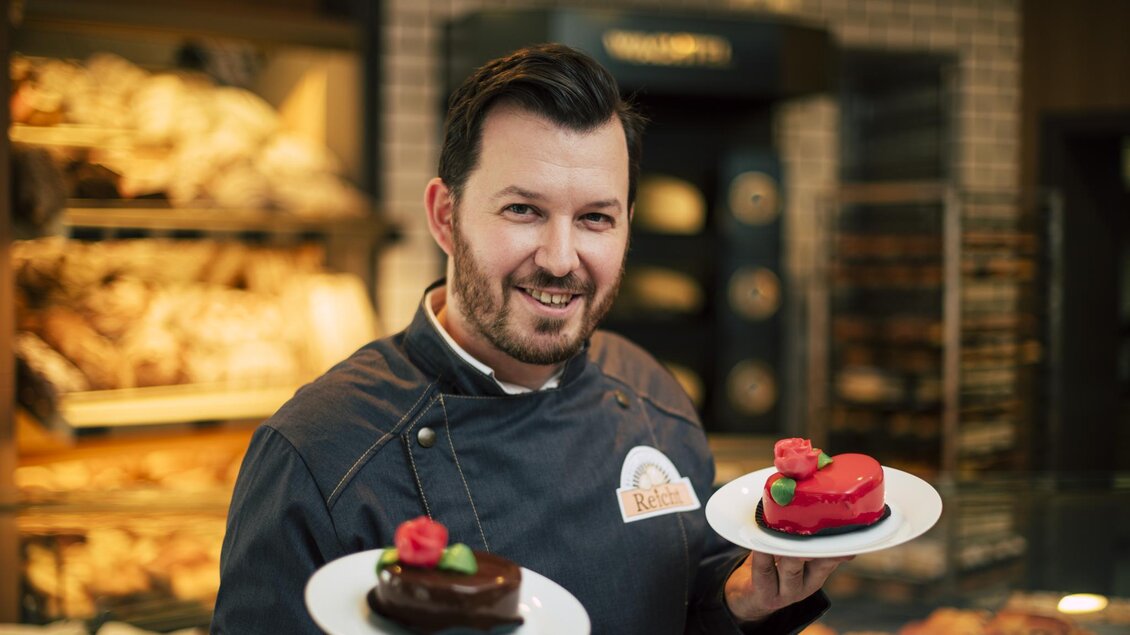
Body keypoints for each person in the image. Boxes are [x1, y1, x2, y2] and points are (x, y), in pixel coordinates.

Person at [212, 43, 849, 634]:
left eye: (596, 218)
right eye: (524, 210)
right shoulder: (317, 454)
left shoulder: (652, 393)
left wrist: (741, 600)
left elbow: (686, 598)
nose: (560, 258)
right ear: (444, 216)